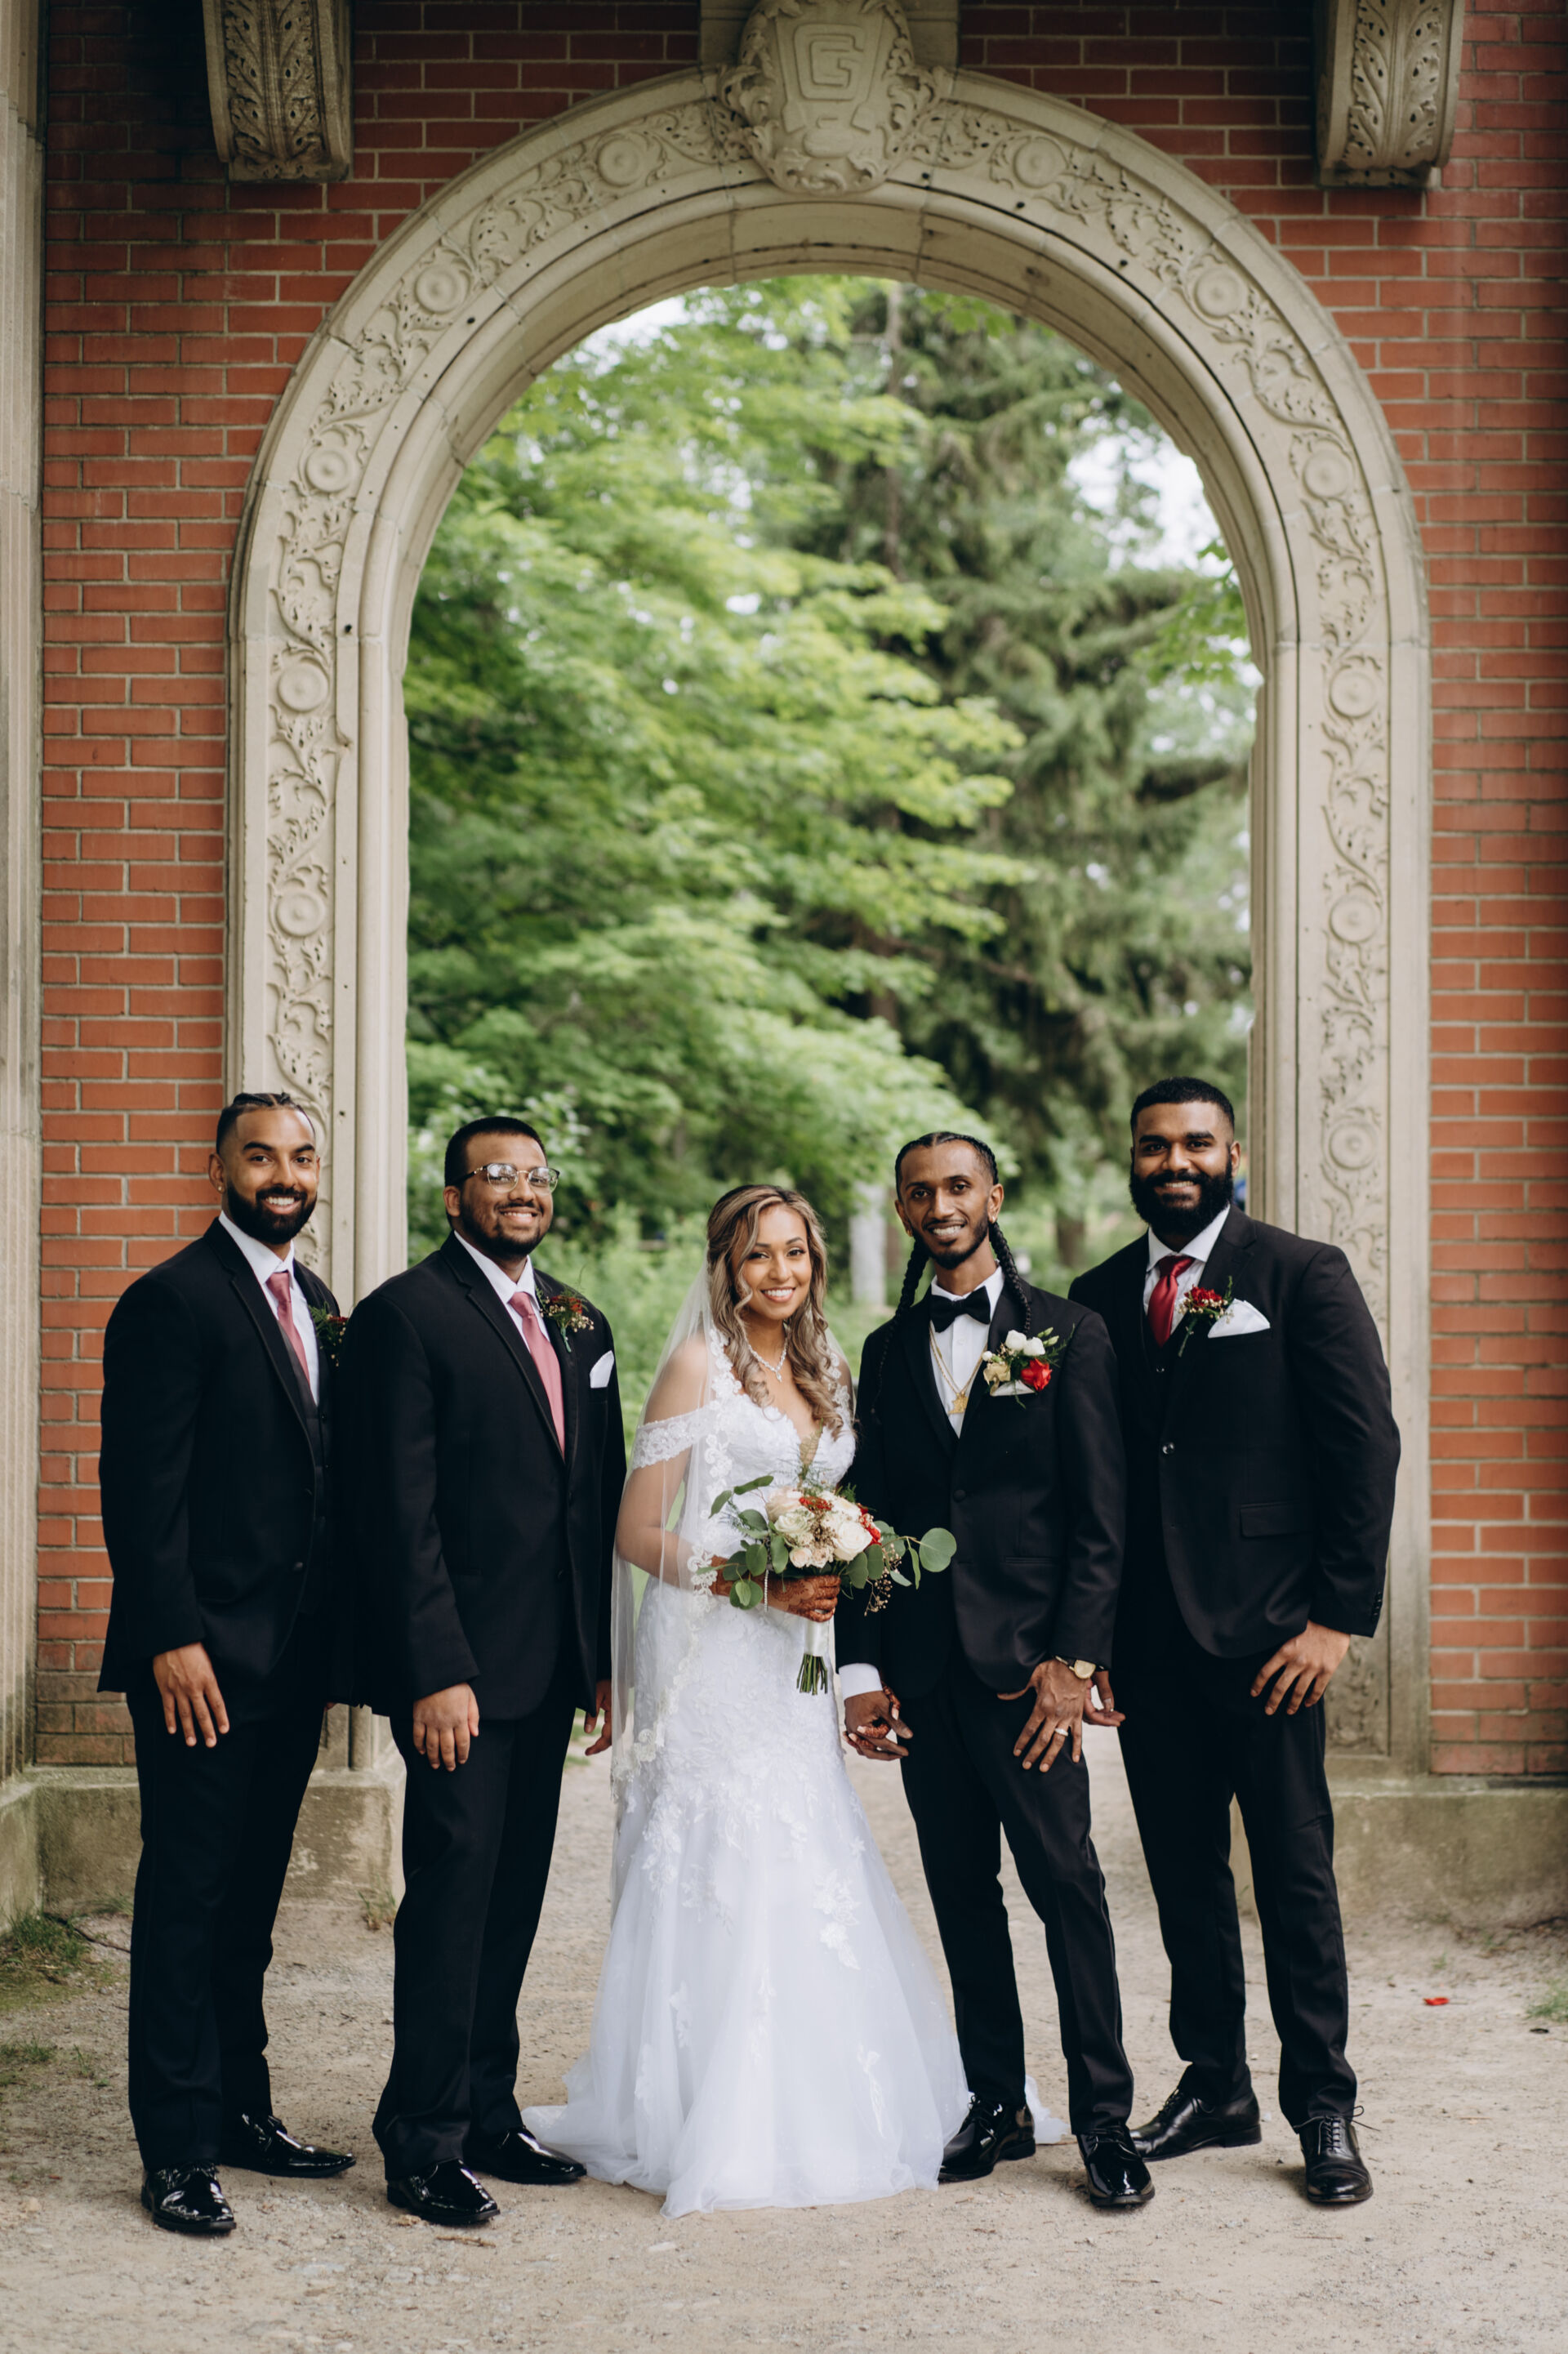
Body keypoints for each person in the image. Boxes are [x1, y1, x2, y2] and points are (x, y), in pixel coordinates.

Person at [521, 1186, 972, 2217]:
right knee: (721, 1845)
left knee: (807, 1836)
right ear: (725, 1264)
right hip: (713, 1643)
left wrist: (840, 1562)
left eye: (796, 1252)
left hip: (795, 1649)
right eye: (759, 1254)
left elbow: (843, 1505)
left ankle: (817, 2093)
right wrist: (754, 1583)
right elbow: (638, 1529)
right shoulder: (698, 1365)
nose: (781, 1271)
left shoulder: (827, 1364)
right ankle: (697, 2103)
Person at [1069, 1077, 1400, 2208]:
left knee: (1295, 1876)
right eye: (1155, 1144)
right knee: (1184, 1876)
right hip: (1149, 1645)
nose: (1176, 1161)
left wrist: (1335, 1619)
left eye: (1196, 1143)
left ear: (1233, 1153)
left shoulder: (1301, 1274)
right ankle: (1216, 2084)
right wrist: (1092, 1640)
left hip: (1273, 1641)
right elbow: (1098, 1481)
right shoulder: (1097, 1297)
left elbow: (1365, 1447)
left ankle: (1323, 2103)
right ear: (1132, 1157)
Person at [840, 1133, 1152, 2211]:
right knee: (963, 1893)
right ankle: (998, 2100)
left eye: (959, 1186)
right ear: (902, 1207)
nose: (941, 1204)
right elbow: (872, 1517)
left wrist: (1075, 1658)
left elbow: (1104, 1515)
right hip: (926, 1674)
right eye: (921, 1190)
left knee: (1067, 1885)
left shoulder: (1070, 1331)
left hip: (1031, 1676)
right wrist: (863, 1664)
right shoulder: (887, 1349)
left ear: (994, 1196)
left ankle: (1104, 2118)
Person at [345, 1117, 626, 2227]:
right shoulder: (405, 1315)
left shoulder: (579, 1317)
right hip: (458, 1673)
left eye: (535, 1174)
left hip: (551, 1665)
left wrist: (603, 1658)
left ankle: (488, 2111)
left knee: (512, 1897)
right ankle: (421, 2137)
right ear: (453, 1196)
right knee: (452, 1900)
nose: (521, 1189)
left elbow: (594, 1496)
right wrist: (433, 1668)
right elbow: (396, 1509)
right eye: (497, 1174)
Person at [98, 1091, 354, 2238]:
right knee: (187, 1898)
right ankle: (177, 2146)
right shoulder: (170, 1299)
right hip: (199, 1659)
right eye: (260, 1156)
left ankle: (242, 2109)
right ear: (218, 1169)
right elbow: (138, 1487)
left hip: (292, 1659)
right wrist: (170, 1636)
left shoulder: (321, 1301)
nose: (283, 1174)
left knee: (251, 1899)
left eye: (300, 1156)